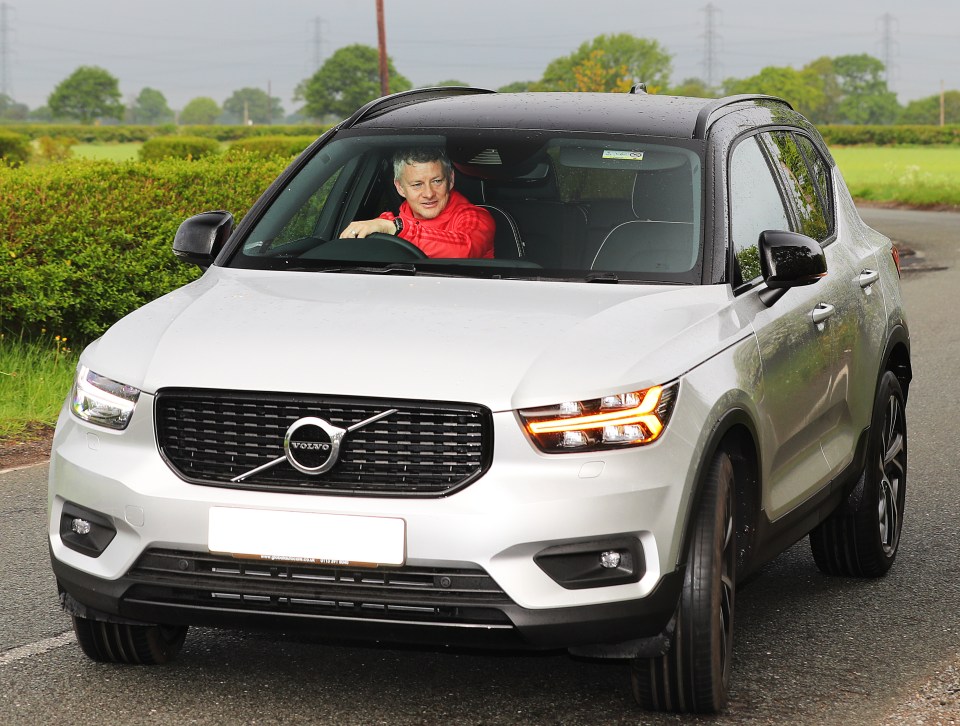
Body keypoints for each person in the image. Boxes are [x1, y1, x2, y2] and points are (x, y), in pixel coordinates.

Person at [339, 148, 496, 259]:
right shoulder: (386, 224)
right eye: (417, 184)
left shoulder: (476, 218)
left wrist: (399, 229)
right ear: (400, 188)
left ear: (451, 180)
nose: (429, 193)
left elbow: (465, 249)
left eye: (436, 181)